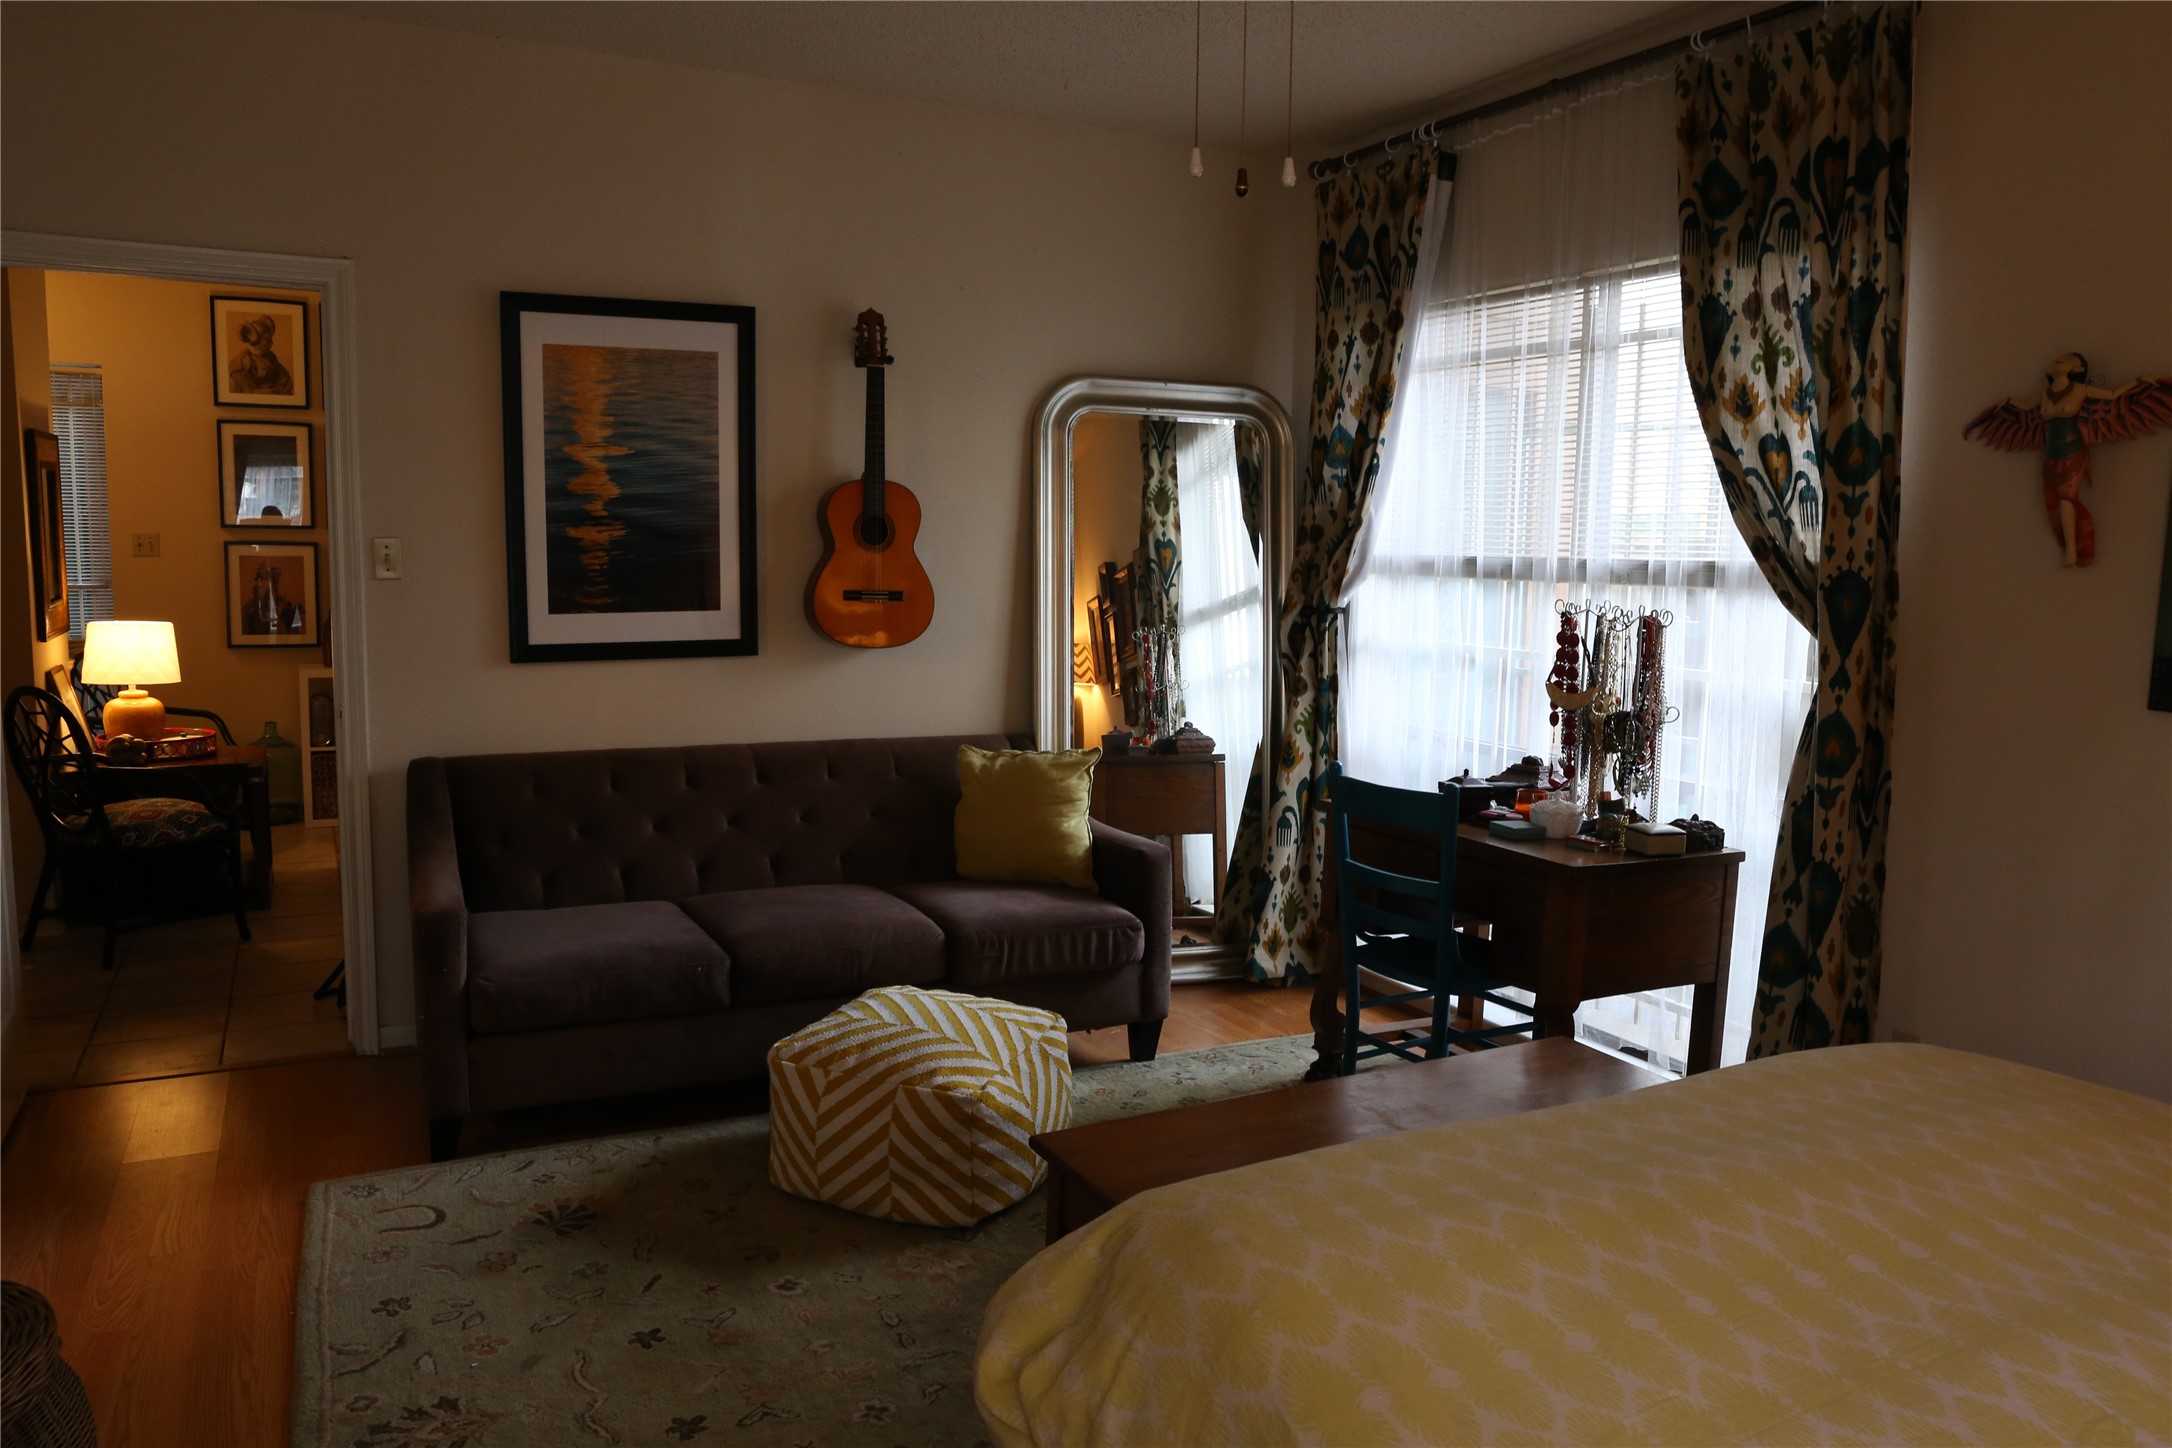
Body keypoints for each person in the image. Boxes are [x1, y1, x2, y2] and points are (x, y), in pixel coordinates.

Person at [228, 314, 293, 396]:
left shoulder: (270, 356)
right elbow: (245, 392)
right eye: (266, 340)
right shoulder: (241, 362)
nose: (272, 343)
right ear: (255, 342)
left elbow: (284, 378)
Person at [240, 561, 304, 635]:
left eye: (268, 579)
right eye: (262, 579)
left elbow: (295, 635)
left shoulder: (285, 608)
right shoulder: (249, 611)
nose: (259, 584)